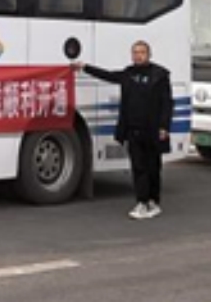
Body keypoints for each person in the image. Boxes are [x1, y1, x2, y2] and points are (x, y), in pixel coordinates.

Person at [72, 41, 173, 220]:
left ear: (149, 54)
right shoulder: (128, 74)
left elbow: (167, 104)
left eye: (142, 52)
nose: (138, 55)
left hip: (154, 130)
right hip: (134, 130)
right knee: (138, 167)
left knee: (153, 168)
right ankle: (142, 202)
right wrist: (85, 67)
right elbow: (108, 75)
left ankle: (154, 202)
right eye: (135, 52)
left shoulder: (160, 75)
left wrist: (164, 127)